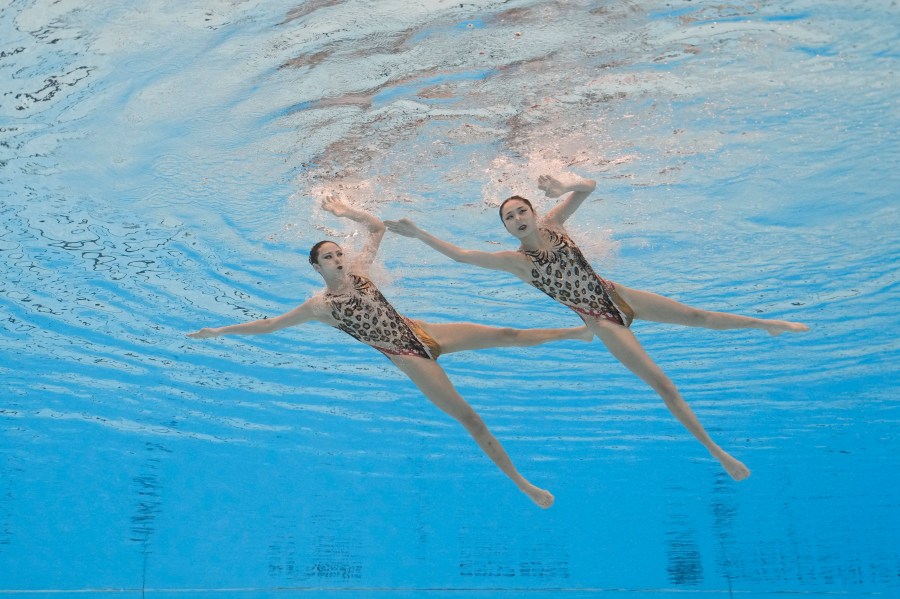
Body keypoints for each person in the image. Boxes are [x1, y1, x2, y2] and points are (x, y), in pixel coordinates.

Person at [385, 173, 810, 481]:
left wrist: (564, 185)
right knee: (662, 383)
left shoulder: (555, 223)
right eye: (509, 217)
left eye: (521, 210)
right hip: (601, 319)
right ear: (506, 228)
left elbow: (589, 187)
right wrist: (418, 232)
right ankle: (718, 453)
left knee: (698, 316)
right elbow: (461, 255)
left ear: (533, 212)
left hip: (618, 293)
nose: (517, 218)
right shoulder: (515, 262)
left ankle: (767, 325)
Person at [188, 196, 594, 508]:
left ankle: (576, 334)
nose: (338, 258)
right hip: (409, 356)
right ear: (317, 267)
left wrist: (346, 210)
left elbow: (376, 228)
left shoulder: (361, 272)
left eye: (338, 252)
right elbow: (269, 325)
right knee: (471, 418)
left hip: (422, 330)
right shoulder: (319, 307)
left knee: (506, 333)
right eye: (328, 257)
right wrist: (222, 331)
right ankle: (524, 485)